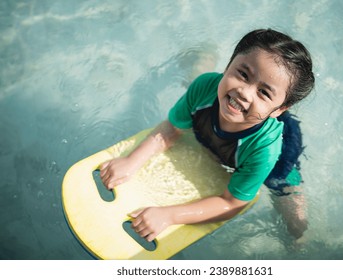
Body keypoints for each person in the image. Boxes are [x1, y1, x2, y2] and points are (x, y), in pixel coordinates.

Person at [100, 29, 315, 242]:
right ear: (229, 63)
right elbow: (170, 129)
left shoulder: (266, 149)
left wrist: (169, 216)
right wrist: (131, 161)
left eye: (264, 92)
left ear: (279, 109)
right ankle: (205, 54)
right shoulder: (205, 87)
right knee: (199, 82)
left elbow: (232, 203)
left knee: (291, 212)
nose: (244, 91)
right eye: (243, 74)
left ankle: (300, 239)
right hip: (221, 99)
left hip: (279, 151)